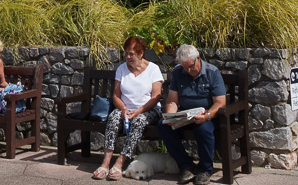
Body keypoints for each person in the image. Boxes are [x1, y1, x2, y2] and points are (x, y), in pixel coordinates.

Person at [93, 36, 163, 180]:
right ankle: (105, 164)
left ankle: (119, 163)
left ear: (141, 53)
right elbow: (116, 96)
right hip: (126, 109)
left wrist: (139, 111)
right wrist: (124, 109)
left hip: (148, 110)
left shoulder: (153, 69)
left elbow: (156, 96)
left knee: (139, 121)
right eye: (126, 53)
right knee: (113, 117)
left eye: (131, 53)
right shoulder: (121, 69)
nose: (128, 57)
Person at [157, 45, 226, 185]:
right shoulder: (178, 72)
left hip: (207, 115)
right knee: (163, 125)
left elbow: (220, 103)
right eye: (185, 68)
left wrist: (207, 115)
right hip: (186, 115)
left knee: (204, 129)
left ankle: (205, 169)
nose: (188, 71)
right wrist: (171, 115)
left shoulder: (212, 72)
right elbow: (172, 100)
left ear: (198, 59)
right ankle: (186, 165)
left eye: (191, 67)